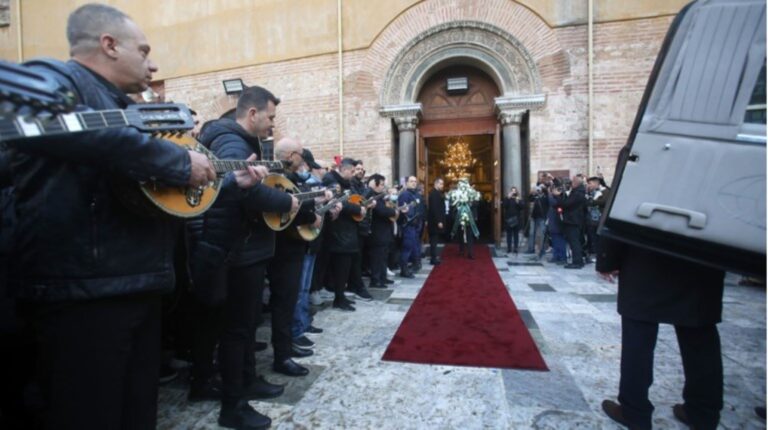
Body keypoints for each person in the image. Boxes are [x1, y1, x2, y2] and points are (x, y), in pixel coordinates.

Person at [5, 4, 218, 429]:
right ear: (109, 45)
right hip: (82, 295)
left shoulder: (123, 106)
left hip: (131, 284)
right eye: (143, 50)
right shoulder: (54, 78)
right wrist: (176, 161)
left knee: (135, 413)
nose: (152, 63)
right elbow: (52, 123)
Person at [188, 85, 298, 430]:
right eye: (270, 117)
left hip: (237, 248)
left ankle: (241, 383)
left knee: (238, 328)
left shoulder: (232, 140)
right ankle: (233, 407)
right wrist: (286, 202)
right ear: (252, 114)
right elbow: (247, 194)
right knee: (237, 330)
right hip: (238, 251)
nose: (273, 125)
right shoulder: (234, 144)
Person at [598, 237, 725, 430]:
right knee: (699, 335)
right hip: (703, 253)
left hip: (646, 250)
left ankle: (634, 411)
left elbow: (621, 210)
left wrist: (608, 259)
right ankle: (703, 413)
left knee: (639, 337)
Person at [268, 138, 330, 377]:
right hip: (283, 248)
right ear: (291, 155)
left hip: (293, 247)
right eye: (301, 156)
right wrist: (309, 216)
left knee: (289, 299)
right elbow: (286, 207)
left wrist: (315, 202)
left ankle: (286, 346)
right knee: (283, 303)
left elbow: (299, 202)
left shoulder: (291, 177)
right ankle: (281, 356)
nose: (303, 161)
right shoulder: (278, 178)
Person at [323, 158, 366, 311]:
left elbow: (351, 200)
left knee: (345, 267)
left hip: (347, 233)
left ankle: (341, 296)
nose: (354, 174)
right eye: (352, 171)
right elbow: (339, 202)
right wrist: (357, 209)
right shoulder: (331, 180)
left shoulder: (347, 183)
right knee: (340, 268)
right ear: (345, 170)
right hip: (338, 234)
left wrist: (360, 206)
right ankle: (339, 298)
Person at [367, 174, 398, 288]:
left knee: (384, 257)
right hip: (377, 233)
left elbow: (388, 207)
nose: (383, 187)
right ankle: (376, 280)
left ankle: (383, 278)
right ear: (374, 185)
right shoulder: (372, 196)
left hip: (384, 232)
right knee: (377, 258)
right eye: (381, 184)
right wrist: (393, 212)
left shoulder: (381, 196)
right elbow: (382, 211)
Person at [398, 176, 425, 277]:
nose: (414, 183)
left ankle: (415, 264)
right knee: (407, 248)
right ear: (406, 183)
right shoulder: (404, 194)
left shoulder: (416, 194)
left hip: (416, 225)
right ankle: (404, 270)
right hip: (408, 225)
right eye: (411, 181)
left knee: (414, 246)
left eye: (415, 181)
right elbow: (403, 210)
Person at [427, 177, 446, 265]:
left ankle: (434, 257)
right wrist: (439, 221)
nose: (442, 186)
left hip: (435, 221)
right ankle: (433, 259)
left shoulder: (437, 193)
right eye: (441, 184)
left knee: (435, 240)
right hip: (434, 222)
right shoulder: (434, 194)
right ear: (436, 183)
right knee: (434, 241)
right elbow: (434, 209)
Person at [502, 186, 525, 254]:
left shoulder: (518, 199)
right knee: (509, 234)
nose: (513, 192)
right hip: (509, 219)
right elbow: (504, 206)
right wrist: (508, 198)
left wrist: (518, 201)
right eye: (512, 191)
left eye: (514, 191)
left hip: (516, 219)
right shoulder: (507, 198)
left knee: (516, 235)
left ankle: (515, 248)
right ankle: (509, 248)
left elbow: (522, 207)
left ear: (516, 192)